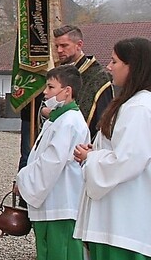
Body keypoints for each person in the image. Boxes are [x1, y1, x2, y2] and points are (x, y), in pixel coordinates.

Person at [73, 37, 151, 259]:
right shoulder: (131, 103)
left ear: (133, 66)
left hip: (123, 221)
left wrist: (91, 158)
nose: (108, 67)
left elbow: (128, 161)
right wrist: (96, 151)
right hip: (115, 221)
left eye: (114, 62)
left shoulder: (140, 108)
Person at [15, 65, 89, 260]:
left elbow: (52, 162)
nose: (45, 92)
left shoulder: (69, 122)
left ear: (67, 91)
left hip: (61, 203)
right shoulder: (59, 119)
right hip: (50, 201)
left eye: (50, 87)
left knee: (61, 253)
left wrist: (23, 180)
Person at [19, 25, 114, 169]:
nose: (59, 51)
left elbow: (103, 120)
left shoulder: (99, 77)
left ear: (79, 45)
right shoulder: (58, 72)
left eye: (64, 46)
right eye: (56, 46)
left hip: (80, 153)